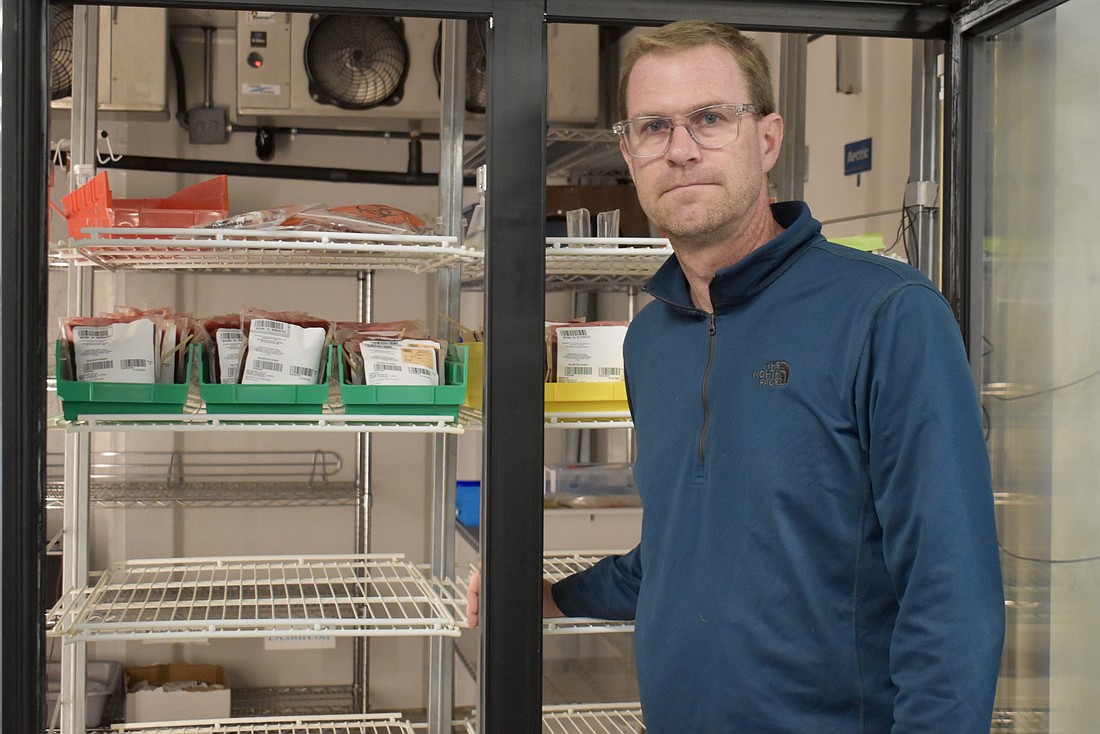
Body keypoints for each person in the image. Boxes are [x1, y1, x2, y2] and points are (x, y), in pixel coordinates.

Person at [467, 20, 1005, 733]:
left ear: (768, 138)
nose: (681, 149)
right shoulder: (652, 340)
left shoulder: (889, 317)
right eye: (653, 127)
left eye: (710, 119)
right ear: (629, 155)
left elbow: (952, 601)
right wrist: (555, 597)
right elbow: (681, 552)